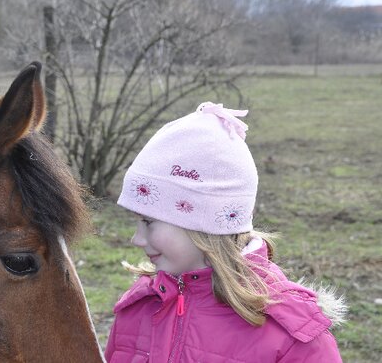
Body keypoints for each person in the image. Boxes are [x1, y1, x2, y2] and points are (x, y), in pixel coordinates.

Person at [104, 102, 345, 362]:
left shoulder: (293, 337)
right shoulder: (136, 311)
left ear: (204, 225)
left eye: (148, 221)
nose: (136, 239)